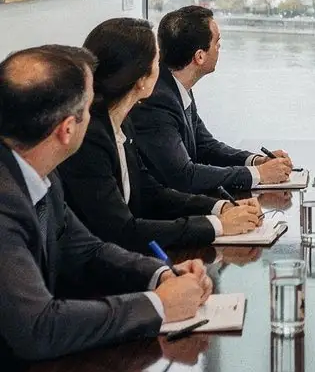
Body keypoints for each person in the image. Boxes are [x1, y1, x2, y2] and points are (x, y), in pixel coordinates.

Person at [0, 45, 211, 372]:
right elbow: (37, 327)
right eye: (89, 104)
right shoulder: (6, 200)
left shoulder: (38, 169)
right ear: (67, 129)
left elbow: (86, 250)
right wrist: (158, 305)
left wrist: (159, 274)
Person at [59, 17, 263, 253]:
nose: (163, 67)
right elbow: (121, 231)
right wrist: (217, 225)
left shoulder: (121, 121)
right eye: (157, 61)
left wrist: (220, 207)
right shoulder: (90, 138)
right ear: (141, 79)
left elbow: (149, 191)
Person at [130, 5, 292, 195]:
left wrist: (257, 161)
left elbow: (206, 146)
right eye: (217, 43)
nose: (219, 49)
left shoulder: (176, 86)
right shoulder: (156, 100)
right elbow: (184, 176)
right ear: (199, 56)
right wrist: (257, 174)